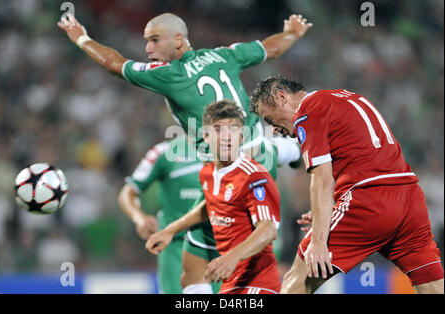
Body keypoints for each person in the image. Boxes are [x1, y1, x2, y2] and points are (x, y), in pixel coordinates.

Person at [58, 12, 310, 293]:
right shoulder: (224, 55)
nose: (148, 49)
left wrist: (80, 37)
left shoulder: (170, 74)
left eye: (154, 40)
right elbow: (271, 48)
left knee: (225, 263)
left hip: (236, 172)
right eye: (147, 41)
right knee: (193, 271)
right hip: (255, 154)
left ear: (178, 40)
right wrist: (294, 33)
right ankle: (289, 149)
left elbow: (114, 64)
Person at [249, 76, 444, 294]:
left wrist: (319, 240)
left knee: (298, 279)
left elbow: (322, 177)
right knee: (433, 286)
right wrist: (328, 211)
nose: (273, 129)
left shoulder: (308, 110)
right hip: (410, 200)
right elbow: (360, 156)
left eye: (269, 119)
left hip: (368, 201)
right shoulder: (348, 97)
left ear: (282, 97)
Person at [146, 100, 281, 294]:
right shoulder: (208, 173)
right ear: (206, 137)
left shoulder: (254, 177)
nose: (226, 137)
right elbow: (210, 206)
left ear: (242, 137)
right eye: (218, 130)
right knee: (188, 280)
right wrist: (170, 230)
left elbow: (268, 230)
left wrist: (231, 258)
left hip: (254, 280)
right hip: (228, 274)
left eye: (233, 129)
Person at [118, 136, 219, 294]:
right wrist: (140, 218)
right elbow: (128, 192)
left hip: (217, 247)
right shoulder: (164, 152)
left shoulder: (230, 149)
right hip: (175, 247)